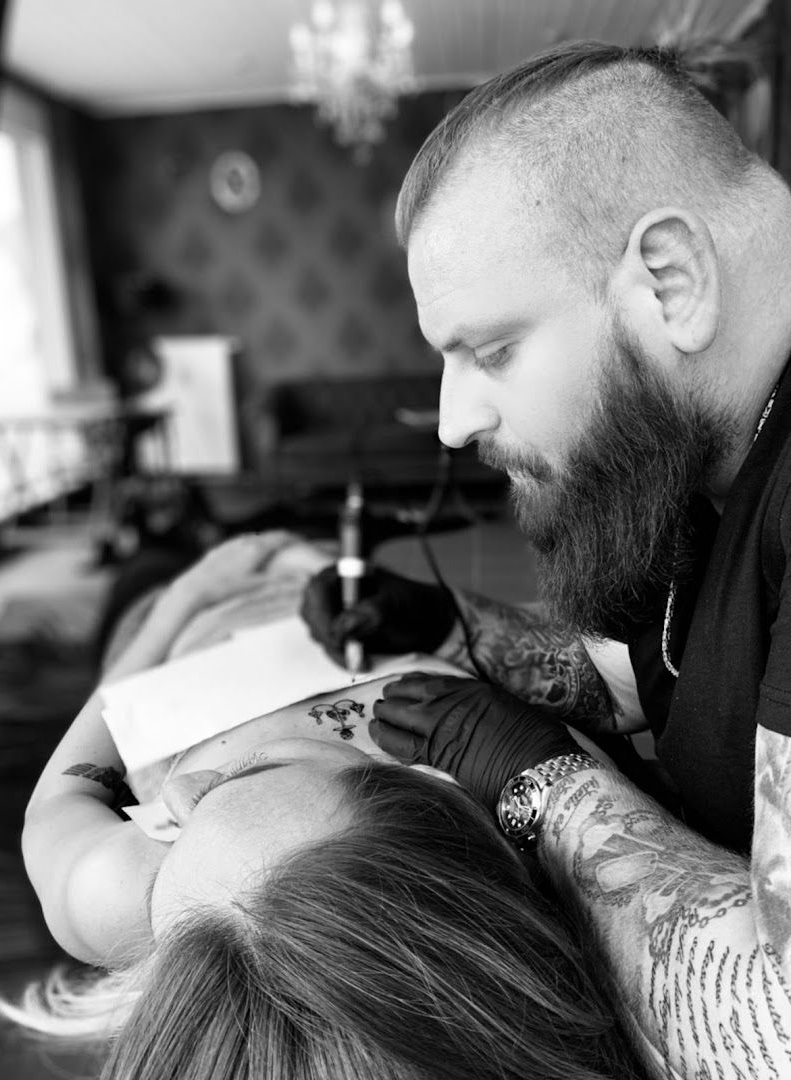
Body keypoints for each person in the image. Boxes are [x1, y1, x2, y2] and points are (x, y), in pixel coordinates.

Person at [300, 41, 791, 1079]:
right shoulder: (695, 445)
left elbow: (777, 1032)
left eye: (490, 352)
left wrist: (542, 788)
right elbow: (655, 684)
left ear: (668, 277)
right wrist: (451, 632)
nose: (449, 422)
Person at [0, 531, 645, 1080]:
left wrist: (183, 598)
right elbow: (611, 679)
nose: (176, 795)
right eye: (255, 771)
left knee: (141, 571)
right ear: (432, 790)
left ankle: (163, 549)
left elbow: (64, 796)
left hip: (167, 635)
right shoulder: (565, 832)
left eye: (172, 832)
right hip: (324, 600)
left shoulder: (121, 896)